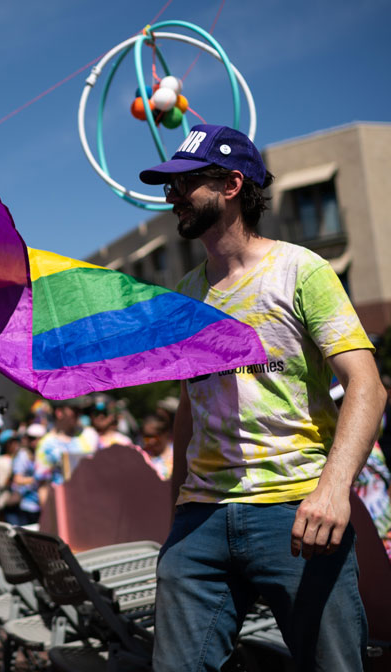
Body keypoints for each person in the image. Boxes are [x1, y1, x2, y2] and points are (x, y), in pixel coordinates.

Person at [139, 124, 386, 670]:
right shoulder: (185, 293)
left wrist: (332, 491)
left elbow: (367, 384)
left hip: (297, 512)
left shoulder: (301, 269)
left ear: (230, 184)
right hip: (199, 522)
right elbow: (191, 403)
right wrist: (177, 502)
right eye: (169, 184)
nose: (171, 195)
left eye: (185, 182)